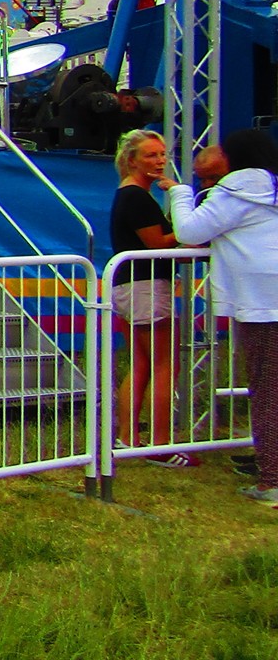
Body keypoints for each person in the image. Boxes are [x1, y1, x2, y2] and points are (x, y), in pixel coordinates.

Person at [162, 129, 278, 507]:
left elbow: (190, 231)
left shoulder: (234, 192)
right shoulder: (270, 188)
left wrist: (179, 193)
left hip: (262, 302)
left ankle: (272, 479)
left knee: (266, 389)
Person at [108, 129, 192, 466]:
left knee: (143, 362)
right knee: (163, 363)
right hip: (144, 286)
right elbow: (158, 243)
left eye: (162, 154)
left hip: (131, 287)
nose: (160, 161)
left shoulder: (132, 195)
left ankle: (129, 437)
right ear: (132, 160)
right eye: (151, 155)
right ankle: (158, 444)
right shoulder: (136, 197)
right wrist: (186, 225)